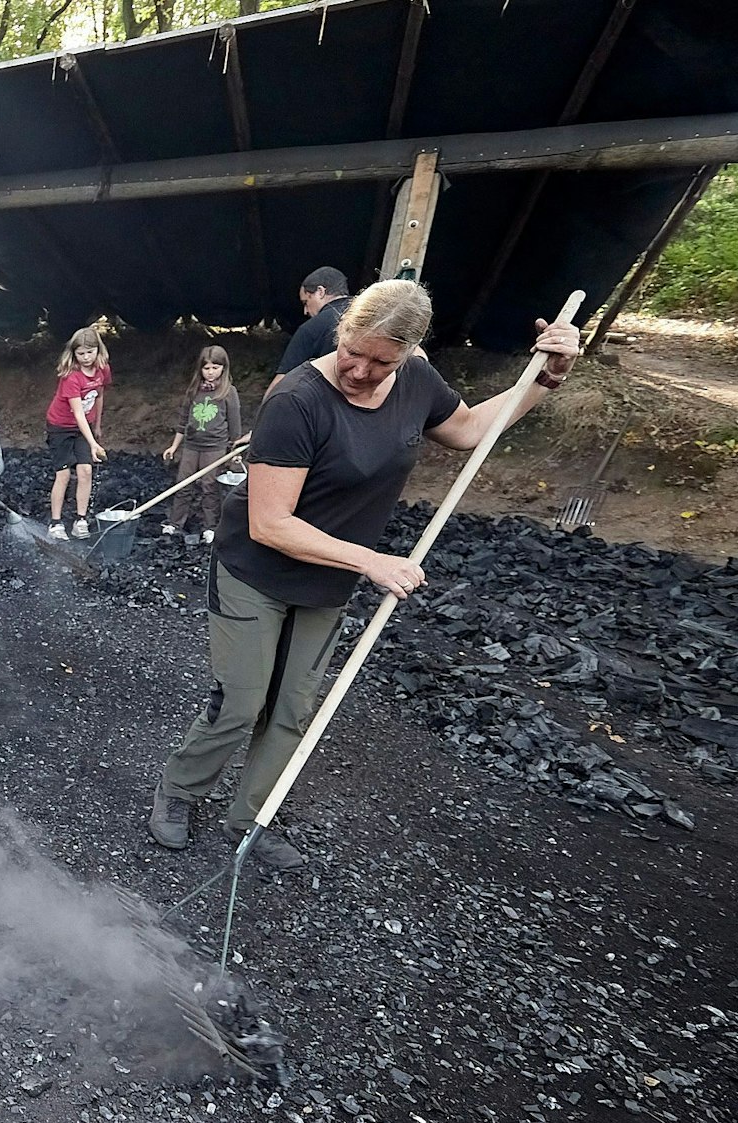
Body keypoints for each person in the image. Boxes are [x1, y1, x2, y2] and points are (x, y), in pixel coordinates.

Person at [145, 280, 579, 870]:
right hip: (256, 570)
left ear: (411, 353)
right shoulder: (296, 400)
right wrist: (372, 561)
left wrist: (544, 378)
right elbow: (271, 523)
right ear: (342, 329)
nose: (362, 370)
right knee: (243, 703)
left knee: (295, 708)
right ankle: (180, 791)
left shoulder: (417, 384)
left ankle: (251, 819)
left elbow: (471, 431)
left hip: (326, 581)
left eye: (383, 361)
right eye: (356, 352)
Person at [160, 345, 244, 543]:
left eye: (215, 367)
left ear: (223, 368)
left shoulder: (228, 393)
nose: (210, 372)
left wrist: (235, 449)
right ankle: (175, 523)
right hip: (191, 445)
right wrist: (174, 446)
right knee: (183, 483)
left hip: (215, 447)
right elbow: (183, 421)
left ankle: (211, 526)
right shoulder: (194, 391)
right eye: (206, 368)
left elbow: (235, 425)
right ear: (200, 369)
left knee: (210, 486)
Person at [43, 326, 112, 541]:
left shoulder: (102, 370)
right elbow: (78, 413)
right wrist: (93, 443)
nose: (85, 357)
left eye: (89, 352)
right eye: (80, 353)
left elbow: (99, 396)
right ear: (73, 354)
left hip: (85, 427)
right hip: (61, 427)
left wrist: (98, 425)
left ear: (97, 350)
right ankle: (55, 523)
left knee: (86, 471)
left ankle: (80, 520)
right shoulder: (71, 378)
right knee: (63, 474)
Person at [266, 266, 352, 401]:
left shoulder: (312, 328)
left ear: (320, 292)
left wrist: (264, 411)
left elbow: (282, 382)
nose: (305, 311)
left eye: (306, 302)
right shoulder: (373, 317)